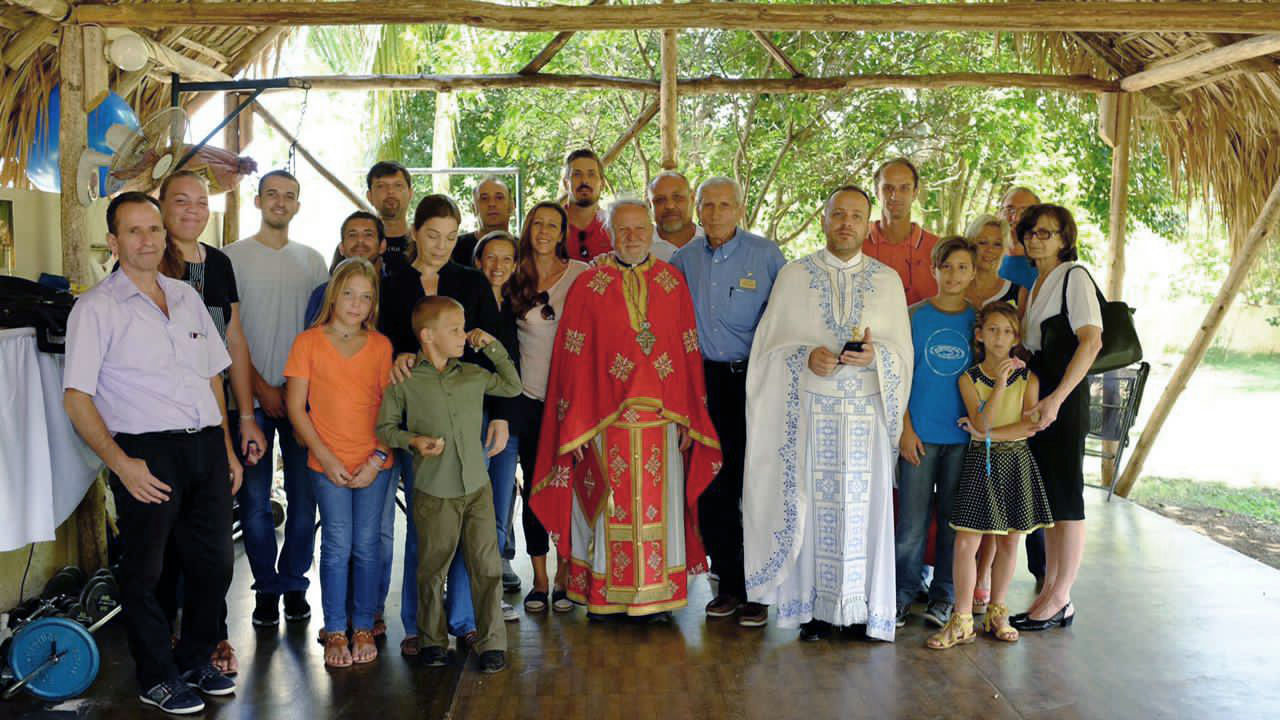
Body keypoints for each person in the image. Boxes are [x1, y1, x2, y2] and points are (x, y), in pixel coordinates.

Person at [64, 193, 239, 714]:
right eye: (134, 232)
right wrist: (121, 463)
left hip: (205, 445)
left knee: (215, 565)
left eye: (154, 230)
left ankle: (194, 659)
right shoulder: (95, 309)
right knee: (146, 573)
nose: (147, 240)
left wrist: (225, 447)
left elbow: (213, 375)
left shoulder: (186, 297)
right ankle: (155, 676)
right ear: (114, 242)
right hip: (146, 453)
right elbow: (77, 397)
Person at [529, 198, 722, 620]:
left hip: (662, 426)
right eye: (623, 230)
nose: (632, 238)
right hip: (603, 425)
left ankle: (658, 595)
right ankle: (607, 597)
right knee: (607, 508)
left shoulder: (673, 284)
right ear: (611, 233)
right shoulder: (589, 285)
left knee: (660, 510)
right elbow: (573, 361)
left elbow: (687, 357)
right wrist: (575, 426)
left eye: (639, 230)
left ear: (650, 232)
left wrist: (690, 417)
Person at [743, 185, 911, 642]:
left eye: (856, 215)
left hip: (865, 421)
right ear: (823, 218)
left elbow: (902, 353)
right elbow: (767, 351)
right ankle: (814, 611)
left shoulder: (887, 280)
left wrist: (878, 359)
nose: (846, 223)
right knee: (814, 511)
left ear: (867, 222)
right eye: (838, 214)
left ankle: (862, 612)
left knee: (864, 513)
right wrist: (803, 357)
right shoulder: (795, 276)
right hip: (811, 417)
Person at [379, 194, 508, 655]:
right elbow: (383, 340)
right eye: (432, 235)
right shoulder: (393, 281)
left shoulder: (470, 281)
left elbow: (497, 342)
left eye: (451, 237)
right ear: (415, 233)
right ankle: (420, 626)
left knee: (473, 526)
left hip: (470, 408)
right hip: (418, 413)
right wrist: (398, 355)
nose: (441, 245)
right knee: (428, 524)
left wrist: (503, 418)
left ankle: (465, 620)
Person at [153, 171, 265, 677]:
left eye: (201, 201)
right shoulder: (146, 262)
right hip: (158, 421)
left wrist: (245, 418)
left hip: (213, 413)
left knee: (212, 543)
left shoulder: (218, 263)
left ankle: (211, 633)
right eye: (181, 201)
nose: (193, 209)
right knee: (164, 541)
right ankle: (169, 638)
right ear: (161, 206)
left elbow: (232, 342)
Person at [376, 296, 521, 672]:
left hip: (477, 486)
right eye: (455, 329)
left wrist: (490, 345)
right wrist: (413, 441)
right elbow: (385, 428)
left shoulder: (473, 374)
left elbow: (512, 385)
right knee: (431, 567)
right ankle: (431, 639)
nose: (463, 335)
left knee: (486, 566)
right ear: (428, 336)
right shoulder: (405, 380)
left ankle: (491, 642)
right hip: (433, 491)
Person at [671, 176, 784, 627]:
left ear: (740, 209)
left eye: (724, 204)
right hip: (703, 384)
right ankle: (730, 583)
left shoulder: (767, 255)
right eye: (708, 205)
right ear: (698, 211)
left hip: (754, 382)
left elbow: (788, 318)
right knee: (713, 485)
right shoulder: (683, 260)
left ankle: (760, 590)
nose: (716, 212)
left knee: (753, 487)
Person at [223, 170, 330, 628]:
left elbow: (321, 331)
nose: (280, 202)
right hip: (248, 398)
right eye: (272, 194)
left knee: (305, 502)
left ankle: (294, 584)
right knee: (254, 500)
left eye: (289, 195)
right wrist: (263, 388)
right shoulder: (230, 258)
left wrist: (291, 390)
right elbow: (229, 331)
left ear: (298, 205)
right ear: (258, 201)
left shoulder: (312, 261)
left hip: (303, 400)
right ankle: (266, 587)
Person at [284, 258, 395, 667]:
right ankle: (335, 630)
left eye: (365, 297)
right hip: (326, 462)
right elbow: (297, 409)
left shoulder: (381, 346)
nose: (356, 303)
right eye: (348, 293)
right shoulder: (308, 342)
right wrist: (325, 457)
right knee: (336, 545)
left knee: (367, 545)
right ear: (333, 294)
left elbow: (391, 410)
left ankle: (363, 624)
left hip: (373, 463)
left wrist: (377, 459)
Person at [929, 302, 1054, 649]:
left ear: (1016, 337)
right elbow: (983, 420)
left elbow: (1028, 427)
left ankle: (997, 612)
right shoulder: (968, 378)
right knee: (967, 541)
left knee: (1009, 541)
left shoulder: (1030, 378)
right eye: (993, 330)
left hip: (1015, 462)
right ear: (980, 335)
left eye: (1008, 331)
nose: (1000, 338)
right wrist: (998, 386)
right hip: (980, 464)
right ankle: (963, 618)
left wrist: (986, 434)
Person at [1010, 204, 1103, 633]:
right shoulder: (1035, 282)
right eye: (1031, 232)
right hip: (1038, 398)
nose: (1036, 238)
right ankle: (1048, 591)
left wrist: (1057, 399)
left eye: (1047, 233)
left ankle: (1062, 596)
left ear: (1065, 239)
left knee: (1067, 499)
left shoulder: (1074, 276)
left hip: (1062, 402)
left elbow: (1091, 342)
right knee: (1049, 501)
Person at [506, 202, 589, 614]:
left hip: (573, 403)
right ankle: (539, 579)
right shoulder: (512, 273)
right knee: (536, 489)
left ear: (562, 233)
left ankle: (566, 576)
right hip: (529, 399)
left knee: (572, 490)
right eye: (536, 223)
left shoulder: (581, 276)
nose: (543, 231)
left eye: (551, 225)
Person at [894, 236, 977, 631]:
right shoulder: (913, 317)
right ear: (934, 270)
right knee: (910, 525)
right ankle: (901, 593)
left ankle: (944, 595)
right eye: (947, 267)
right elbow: (899, 379)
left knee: (952, 523)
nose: (954, 275)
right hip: (919, 438)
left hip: (961, 442)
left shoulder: (978, 323)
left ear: (974, 273)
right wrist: (905, 430)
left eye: (963, 267)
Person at [475, 230, 524, 622]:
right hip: (474, 417)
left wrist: (505, 417)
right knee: (472, 508)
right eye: (491, 257)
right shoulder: (467, 305)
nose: (498, 266)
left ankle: (492, 592)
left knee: (500, 505)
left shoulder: (518, 305)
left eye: (507, 259)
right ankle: (470, 594)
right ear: (479, 262)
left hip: (508, 416)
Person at [865, 157, 939, 305]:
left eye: (904, 188)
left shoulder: (938, 249)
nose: (895, 196)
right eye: (888, 188)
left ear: (915, 192)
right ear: (876, 192)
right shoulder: (856, 243)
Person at [561, 149, 612, 261]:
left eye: (591, 174)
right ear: (566, 183)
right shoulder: (551, 226)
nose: (584, 181)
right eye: (577, 174)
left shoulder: (614, 227)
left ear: (602, 184)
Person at [963, 214, 1020, 309]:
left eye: (997, 244)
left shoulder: (1017, 293)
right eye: (982, 242)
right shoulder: (954, 288)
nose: (990, 250)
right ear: (969, 245)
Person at [455, 177, 515, 266]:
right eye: (484, 198)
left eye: (499, 197)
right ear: (474, 208)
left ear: (512, 206)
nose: (491, 204)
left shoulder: (524, 249)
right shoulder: (454, 248)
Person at [647, 170, 703, 262]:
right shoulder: (638, 247)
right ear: (650, 205)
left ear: (692, 199)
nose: (670, 206)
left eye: (677, 197)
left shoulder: (713, 242)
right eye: (660, 200)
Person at [366, 161, 414, 257]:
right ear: (369, 196)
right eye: (381, 186)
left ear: (410, 193)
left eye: (398, 185)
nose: (390, 191)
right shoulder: (358, 246)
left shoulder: (427, 242)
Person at [997, 187, 1040, 290]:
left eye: (1025, 211)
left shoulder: (1047, 265)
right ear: (999, 214)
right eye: (1009, 209)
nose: (1015, 218)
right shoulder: (985, 257)